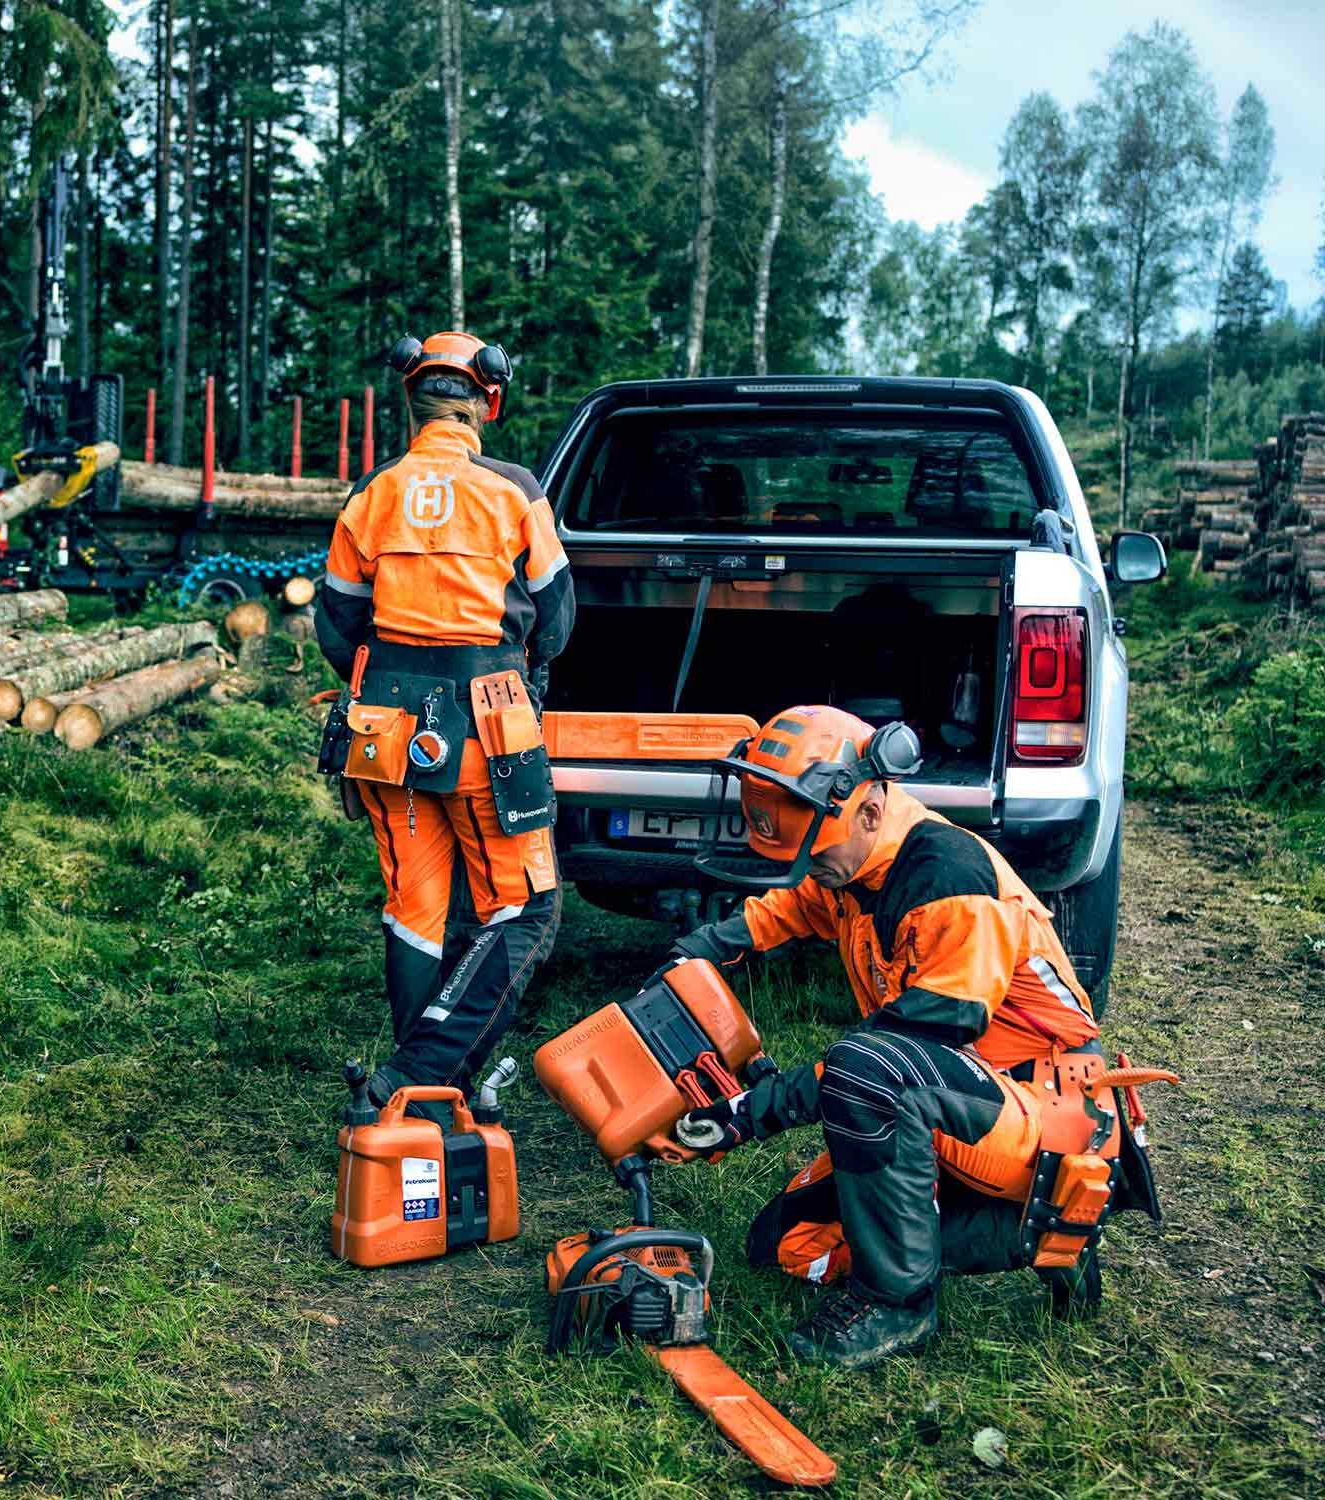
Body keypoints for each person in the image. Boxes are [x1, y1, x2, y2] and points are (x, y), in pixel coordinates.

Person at [666, 704, 1100, 1369]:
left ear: (869, 810)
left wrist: (751, 1112)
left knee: (865, 1071)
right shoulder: (857, 866)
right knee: (786, 1243)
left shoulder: (951, 882)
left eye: (817, 854)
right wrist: (701, 951)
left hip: (1043, 1115)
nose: (811, 869)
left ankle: (907, 1298)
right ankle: (994, 1230)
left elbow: (915, 1046)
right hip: (947, 1100)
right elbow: (795, 907)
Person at [318, 331, 575, 1110]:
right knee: (525, 907)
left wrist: (389, 678)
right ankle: (420, 1078)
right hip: (491, 728)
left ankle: (415, 1093)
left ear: (412, 397)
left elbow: (337, 621)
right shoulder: (514, 490)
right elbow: (558, 619)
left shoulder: (372, 492)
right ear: (487, 401)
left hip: (384, 731)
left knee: (414, 907)